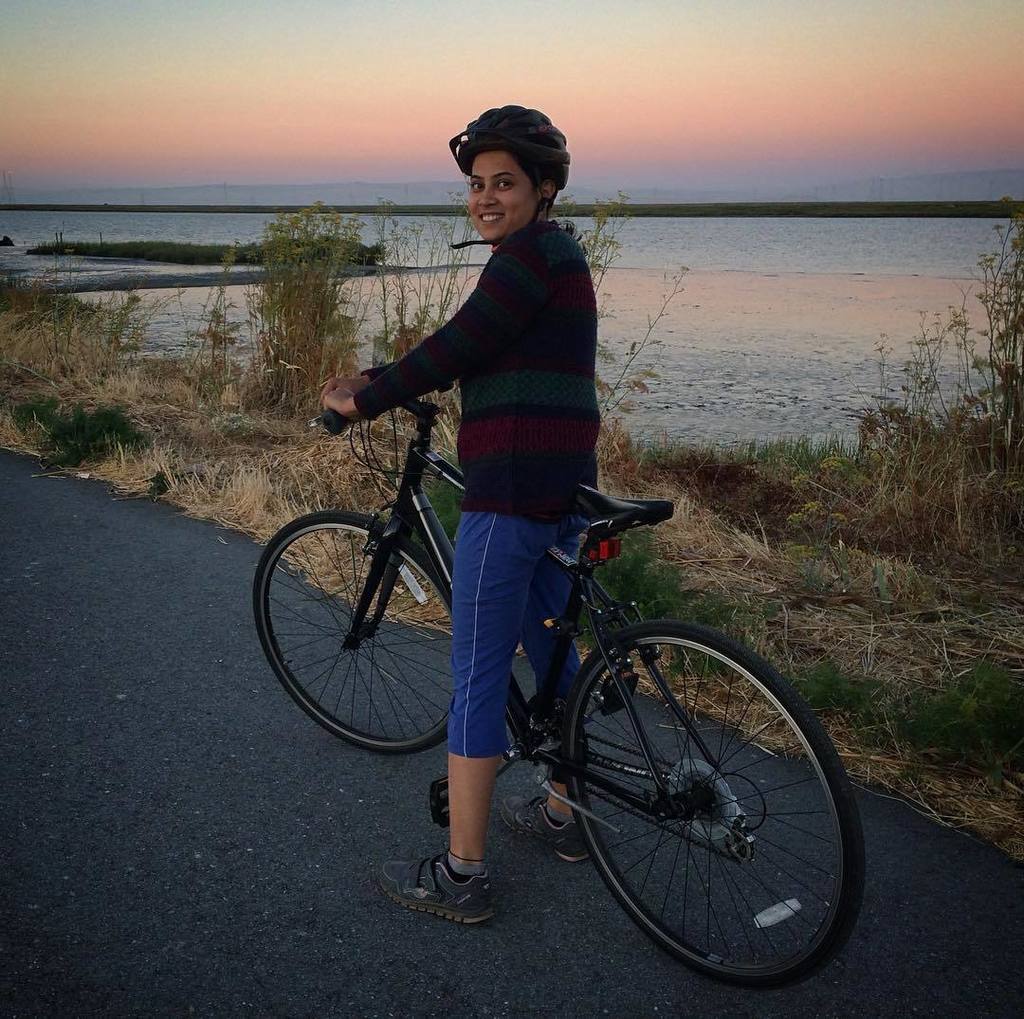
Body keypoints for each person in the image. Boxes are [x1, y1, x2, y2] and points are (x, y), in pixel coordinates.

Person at [320, 105, 599, 923]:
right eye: (477, 184)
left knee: (476, 673)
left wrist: (363, 399)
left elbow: (458, 343)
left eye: (504, 182)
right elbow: (474, 344)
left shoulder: (526, 257)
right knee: (552, 653)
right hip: (563, 487)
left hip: (509, 493)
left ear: (543, 189)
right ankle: (566, 814)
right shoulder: (558, 253)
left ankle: (463, 873)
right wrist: (385, 374)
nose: (485, 198)